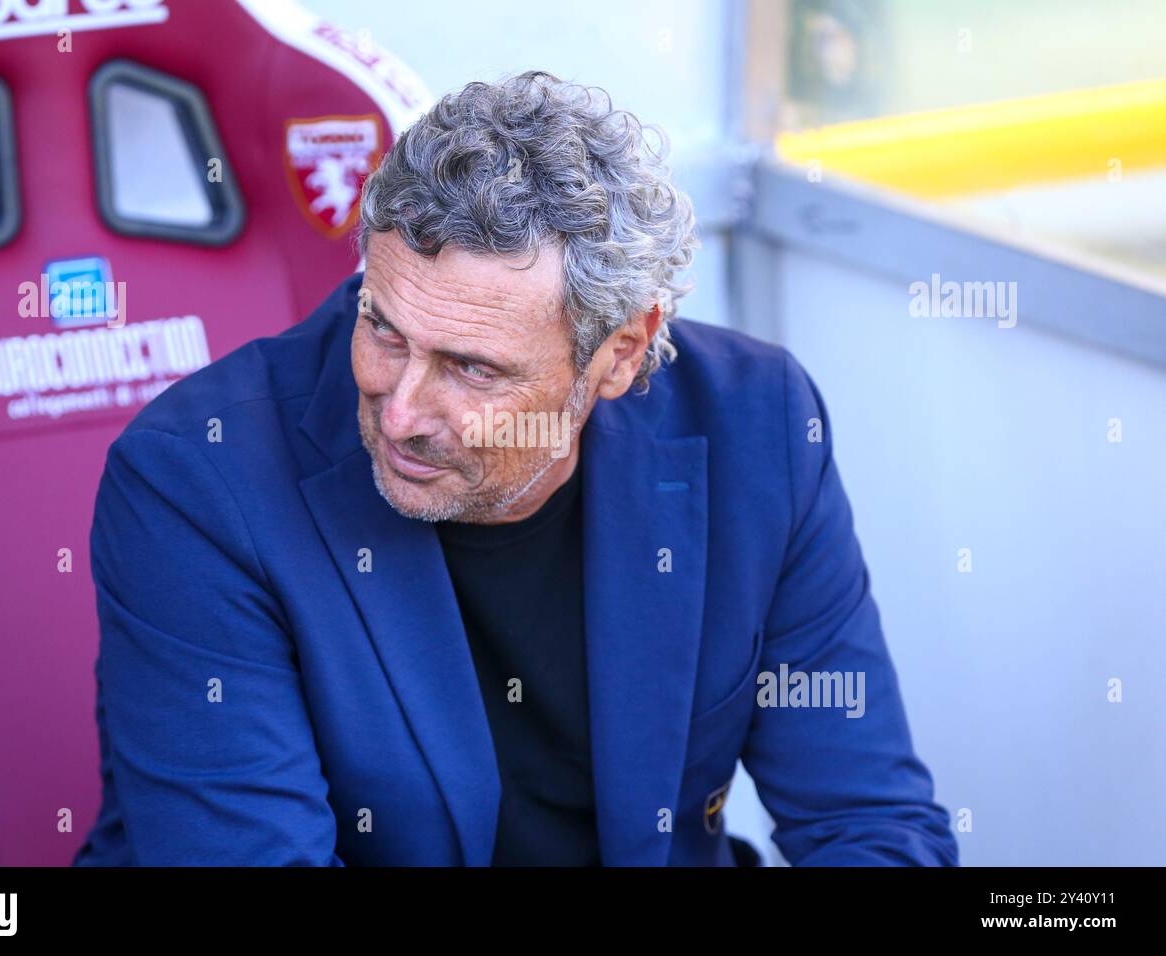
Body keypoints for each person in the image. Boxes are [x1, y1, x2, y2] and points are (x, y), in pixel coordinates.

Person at [73, 71, 957, 867]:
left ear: (620, 354)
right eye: (381, 326)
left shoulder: (754, 426)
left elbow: (872, 827)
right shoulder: (196, 480)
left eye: (471, 368)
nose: (402, 409)